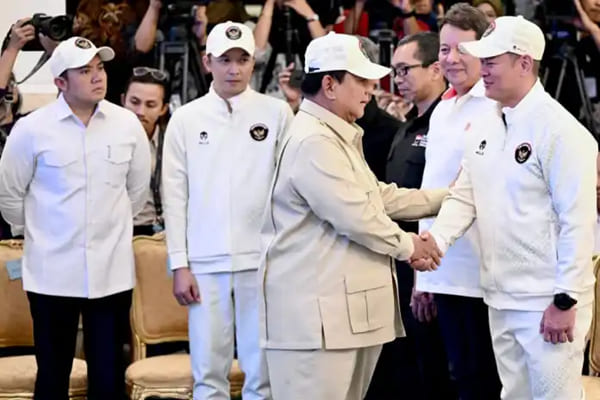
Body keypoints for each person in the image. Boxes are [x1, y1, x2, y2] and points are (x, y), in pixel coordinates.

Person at [259, 31, 448, 400]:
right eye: (361, 80)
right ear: (329, 85)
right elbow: (356, 216)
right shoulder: (315, 140)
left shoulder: (333, 133)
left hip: (334, 318)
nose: (371, 89)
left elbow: (376, 196)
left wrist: (446, 198)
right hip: (314, 323)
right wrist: (411, 245)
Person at [418, 15, 597, 399]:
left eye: (491, 61)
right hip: (499, 295)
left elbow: (578, 222)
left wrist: (566, 298)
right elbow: (464, 194)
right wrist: (436, 241)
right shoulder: (485, 124)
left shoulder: (563, 132)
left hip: (546, 301)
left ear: (524, 63)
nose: (482, 69)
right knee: (513, 396)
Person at [0, 36, 151, 400]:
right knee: (53, 377)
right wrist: (42, 233)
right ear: (60, 82)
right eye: (84, 71)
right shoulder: (32, 129)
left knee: (108, 379)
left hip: (111, 273)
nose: (98, 76)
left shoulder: (127, 124)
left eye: (99, 67)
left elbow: (136, 193)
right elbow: (9, 196)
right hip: (51, 274)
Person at [162, 21, 294, 399]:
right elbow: (174, 196)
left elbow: (290, 189)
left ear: (254, 62)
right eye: (224, 60)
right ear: (207, 62)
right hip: (204, 263)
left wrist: (284, 254)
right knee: (208, 373)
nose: (234, 69)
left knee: (262, 373)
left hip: (263, 260)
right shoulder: (186, 119)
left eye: (242, 60)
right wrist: (179, 264)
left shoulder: (277, 112)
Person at [415, 4, 503, 399]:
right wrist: (424, 275)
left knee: (488, 381)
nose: (451, 59)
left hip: (485, 273)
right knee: (458, 379)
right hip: (443, 267)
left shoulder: (496, 105)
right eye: (444, 49)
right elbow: (431, 187)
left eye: (461, 49)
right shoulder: (442, 109)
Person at [368, 32, 455, 400]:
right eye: (395, 71)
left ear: (436, 69)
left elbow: (449, 202)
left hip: (432, 263)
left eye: (405, 69)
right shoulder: (407, 124)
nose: (398, 79)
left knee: (435, 371)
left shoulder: (447, 125)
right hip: (400, 260)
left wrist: (428, 279)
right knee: (405, 368)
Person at [121, 66, 170, 236]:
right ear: (123, 100)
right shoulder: (106, 140)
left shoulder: (174, 142)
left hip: (163, 232)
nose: (140, 112)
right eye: (134, 102)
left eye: (150, 105)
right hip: (121, 231)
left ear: (163, 109)